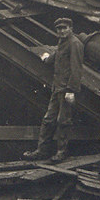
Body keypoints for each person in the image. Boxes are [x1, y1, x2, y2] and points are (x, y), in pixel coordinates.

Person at [23, 17, 83, 164]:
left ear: (71, 28)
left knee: (63, 121)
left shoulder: (75, 44)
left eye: (64, 28)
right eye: (59, 29)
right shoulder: (62, 42)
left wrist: (71, 90)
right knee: (48, 119)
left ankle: (61, 152)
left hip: (66, 89)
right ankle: (42, 151)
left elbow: (76, 69)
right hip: (57, 88)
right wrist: (46, 58)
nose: (61, 31)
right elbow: (55, 58)